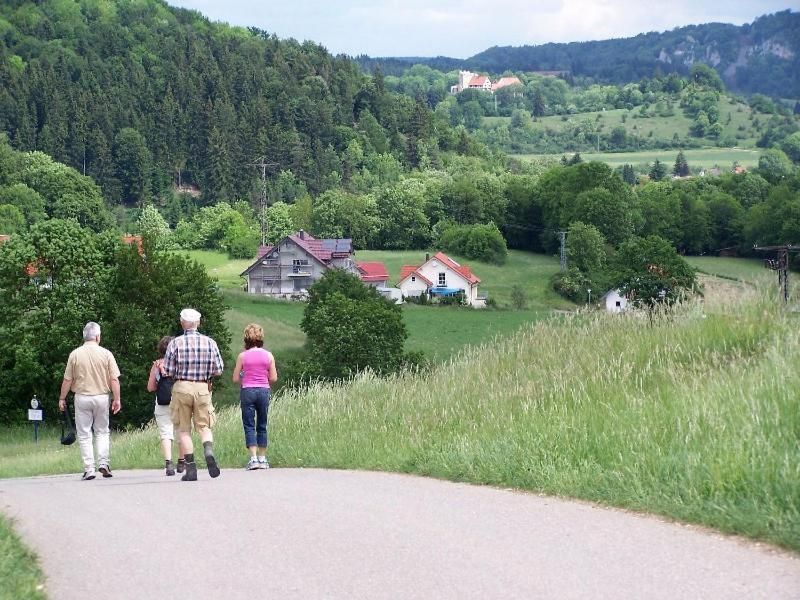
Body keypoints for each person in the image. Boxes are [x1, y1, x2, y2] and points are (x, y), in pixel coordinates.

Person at [163, 308, 224, 481]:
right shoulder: (210, 343)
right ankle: (208, 450)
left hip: (182, 387)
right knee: (204, 426)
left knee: (183, 429)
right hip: (203, 387)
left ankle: (191, 469)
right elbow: (218, 370)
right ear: (198, 323)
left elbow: (167, 370)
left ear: (182, 323)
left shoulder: (174, 343)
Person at [58, 321, 121, 481]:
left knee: (85, 434)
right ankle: (104, 463)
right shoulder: (106, 354)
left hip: (82, 398)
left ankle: (89, 469)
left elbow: (67, 379)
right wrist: (117, 399)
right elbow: (114, 379)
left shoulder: (75, 354)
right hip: (101, 397)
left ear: (84, 336)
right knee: (102, 431)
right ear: (98, 336)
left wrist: (62, 398)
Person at [232, 324, 278, 470]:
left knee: (249, 424)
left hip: (248, 391)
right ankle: (263, 458)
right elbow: (274, 377)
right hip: (264, 390)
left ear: (246, 338)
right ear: (261, 337)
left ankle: (253, 458)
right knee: (262, 424)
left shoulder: (242, 356)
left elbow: (234, 378)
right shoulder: (268, 355)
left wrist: (243, 377)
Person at [146, 335, 185, 476]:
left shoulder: (157, 365)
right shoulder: (180, 364)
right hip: (180, 400)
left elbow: (150, 387)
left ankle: (169, 463)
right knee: (182, 431)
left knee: (165, 433)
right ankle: (182, 461)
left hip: (162, 403)